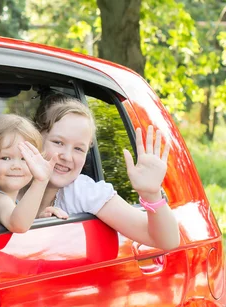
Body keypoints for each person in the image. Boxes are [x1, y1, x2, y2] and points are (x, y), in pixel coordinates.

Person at [33, 95, 180, 250]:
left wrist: (151, 194)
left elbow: (166, 241)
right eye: (58, 143)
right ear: (35, 138)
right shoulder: (9, 179)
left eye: (78, 149)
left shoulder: (82, 191)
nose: (67, 156)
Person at [0, 114, 67, 233]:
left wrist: (38, 219)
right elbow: (18, 225)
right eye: (5, 158)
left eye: (24, 158)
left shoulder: (12, 200)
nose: (16, 166)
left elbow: (18, 218)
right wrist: (40, 181)